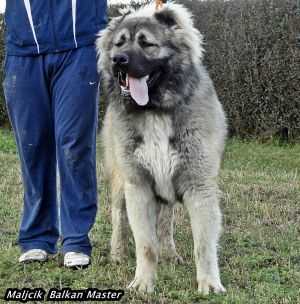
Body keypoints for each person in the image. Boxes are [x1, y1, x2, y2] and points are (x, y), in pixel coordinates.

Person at [2, 0, 107, 267]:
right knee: (33, 146)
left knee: (74, 145)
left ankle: (75, 240)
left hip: (78, 47)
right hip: (23, 50)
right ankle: (37, 237)